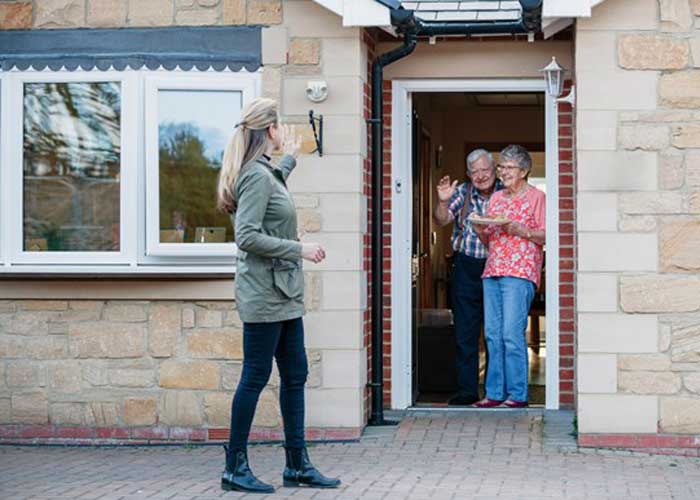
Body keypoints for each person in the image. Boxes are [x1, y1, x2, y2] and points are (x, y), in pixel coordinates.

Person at [216, 97, 341, 493]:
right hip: (264, 295)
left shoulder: (266, 173)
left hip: (284, 293)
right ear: (268, 129)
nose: (282, 130)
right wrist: (300, 249)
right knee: (255, 376)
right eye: (279, 126)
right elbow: (247, 236)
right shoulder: (254, 175)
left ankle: (296, 466)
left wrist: (289, 158)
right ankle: (235, 467)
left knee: (295, 374)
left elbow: (272, 198)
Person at [472, 145, 546, 408]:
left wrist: (520, 230)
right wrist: (480, 228)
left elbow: (546, 234)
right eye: (501, 167)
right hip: (493, 269)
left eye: (509, 167)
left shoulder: (537, 197)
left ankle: (517, 394)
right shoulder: (496, 199)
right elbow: (489, 238)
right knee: (492, 333)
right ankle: (494, 393)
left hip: (520, 271)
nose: (502, 172)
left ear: (524, 171)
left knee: (511, 334)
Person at [433, 149, 501, 406]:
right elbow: (441, 220)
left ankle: (496, 392)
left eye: (485, 170)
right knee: (465, 333)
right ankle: (467, 391)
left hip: (498, 266)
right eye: (475, 171)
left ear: (494, 170)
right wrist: (442, 201)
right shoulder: (462, 192)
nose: (481, 176)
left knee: (496, 333)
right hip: (466, 267)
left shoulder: (506, 192)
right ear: (469, 173)